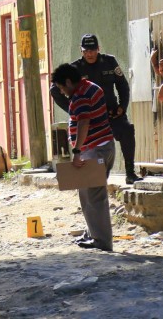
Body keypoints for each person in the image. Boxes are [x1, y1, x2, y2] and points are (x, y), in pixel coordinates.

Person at [50, 34, 142, 184]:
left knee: (127, 130)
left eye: (92, 50)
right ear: (81, 51)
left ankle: (130, 172)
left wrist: (122, 107)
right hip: (90, 118)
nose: (89, 54)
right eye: (86, 51)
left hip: (112, 113)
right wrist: (74, 111)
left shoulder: (109, 62)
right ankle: (90, 179)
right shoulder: (75, 68)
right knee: (88, 149)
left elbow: (123, 85)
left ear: (98, 49)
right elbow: (54, 89)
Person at [51, 63, 115, 251]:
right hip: (105, 146)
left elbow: (84, 123)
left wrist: (77, 151)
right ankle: (94, 234)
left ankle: (102, 241)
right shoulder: (93, 88)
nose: (62, 92)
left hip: (94, 150)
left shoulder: (79, 97)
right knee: (89, 194)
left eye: (62, 88)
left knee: (94, 197)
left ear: (69, 82)